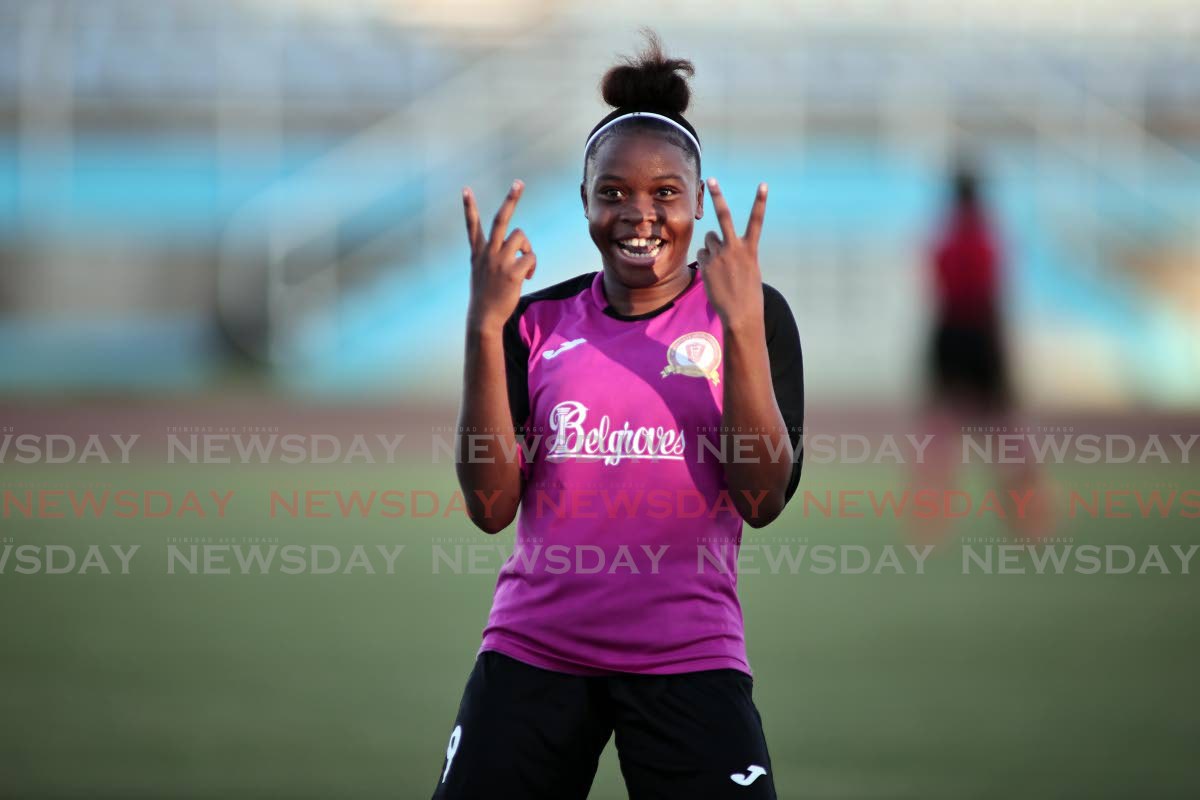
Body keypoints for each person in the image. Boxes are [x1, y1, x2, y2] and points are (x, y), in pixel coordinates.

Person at [434, 33, 804, 799]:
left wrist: (736, 327)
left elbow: (763, 500)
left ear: (698, 202)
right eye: (614, 193)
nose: (640, 214)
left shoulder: (754, 315)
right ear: (585, 202)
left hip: (689, 658)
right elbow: (489, 507)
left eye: (666, 193)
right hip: (534, 652)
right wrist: (481, 326)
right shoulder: (532, 322)